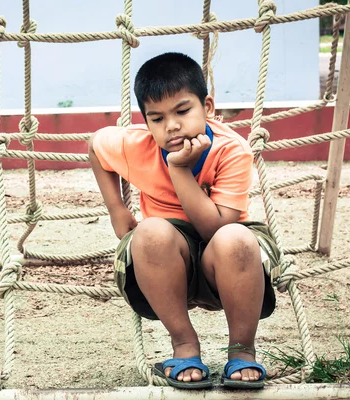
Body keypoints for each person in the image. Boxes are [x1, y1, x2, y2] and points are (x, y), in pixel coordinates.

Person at [88, 52, 280, 390]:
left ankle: (242, 350)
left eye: (182, 111)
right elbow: (95, 147)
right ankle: (184, 345)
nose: (171, 125)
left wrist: (179, 169)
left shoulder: (232, 150)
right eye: (157, 118)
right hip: (170, 262)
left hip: (231, 258)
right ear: (145, 122)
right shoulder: (138, 145)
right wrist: (117, 208)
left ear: (207, 106)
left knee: (235, 239)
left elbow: (216, 229)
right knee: (149, 233)